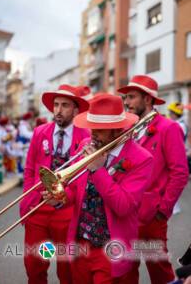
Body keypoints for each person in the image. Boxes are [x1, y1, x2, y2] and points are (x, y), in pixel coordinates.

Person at [43, 94, 154, 284]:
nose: (92, 134)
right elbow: (76, 190)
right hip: (80, 244)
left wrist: (98, 170)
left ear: (117, 130)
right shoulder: (89, 145)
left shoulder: (141, 158)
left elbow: (123, 206)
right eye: (91, 127)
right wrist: (59, 198)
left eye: (100, 130)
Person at [118, 75, 189, 284]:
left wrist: (163, 210)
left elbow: (180, 172)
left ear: (147, 99)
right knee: (125, 270)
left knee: (159, 270)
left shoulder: (169, 127)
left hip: (152, 215)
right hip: (125, 213)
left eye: (131, 97)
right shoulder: (126, 128)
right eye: (126, 97)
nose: (126, 102)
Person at [20, 84, 90, 284]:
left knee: (66, 270)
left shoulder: (86, 136)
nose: (58, 110)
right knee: (34, 266)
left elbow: (83, 179)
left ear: (76, 110)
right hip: (38, 209)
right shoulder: (40, 131)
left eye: (65, 105)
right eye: (56, 105)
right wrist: (27, 202)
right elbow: (30, 169)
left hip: (67, 212)